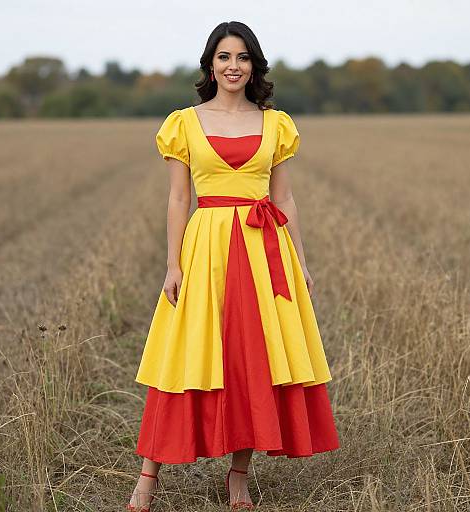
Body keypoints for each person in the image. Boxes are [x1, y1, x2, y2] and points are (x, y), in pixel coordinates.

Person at [126, 20, 340, 512]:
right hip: (206, 250)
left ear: (254, 65)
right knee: (184, 355)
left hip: (264, 250)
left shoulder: (276, 124)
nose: (233, 66)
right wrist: (172, 265)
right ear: (210, 64)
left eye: (242, 57)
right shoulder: (183, 122)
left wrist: (301, 263)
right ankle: (147, 477)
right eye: (224, 57)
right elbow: (178, 199)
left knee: (252, 362)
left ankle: (238, 476)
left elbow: (283, 196)